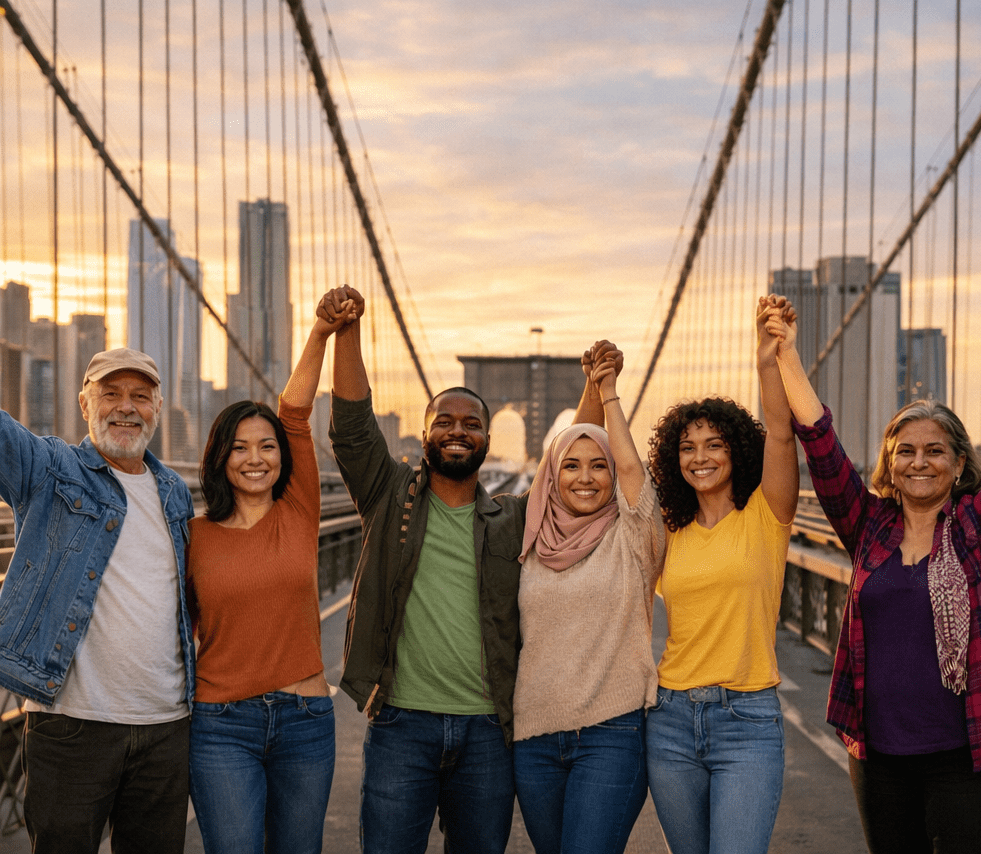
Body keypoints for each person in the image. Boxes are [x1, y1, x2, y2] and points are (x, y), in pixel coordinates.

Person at [323, 284, 610, 854]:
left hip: (489, 731)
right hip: (402, 723)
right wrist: (347, 331)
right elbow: (354, 428)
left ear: (486, 437)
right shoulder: (388, 495)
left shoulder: (513, 518)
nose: (458, 430)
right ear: (425, 434)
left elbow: (564, 466)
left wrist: (595, 386)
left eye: (472, 423)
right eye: (444, 421)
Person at [771, 296, 981, 853]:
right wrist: (788, 353)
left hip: (973, 757)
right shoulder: (869, 528)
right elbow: (821, 444)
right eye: (905, 451)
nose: (919, 462)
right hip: (881, 760)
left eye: (935, 451)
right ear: (890, 461)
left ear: (959, 463)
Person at [0, 347, 194, 854]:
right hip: (71, 726)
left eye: (140, 396)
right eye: (110, 394)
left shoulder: (175, 491)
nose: (126, 407)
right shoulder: (50, 468)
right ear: (84, 404)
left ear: (157, 407)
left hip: (165, 728)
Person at [186, 296, 343, 854]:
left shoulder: (299, 509)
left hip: (306, 719)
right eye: (240, 448)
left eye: (267, 447)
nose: (255, 459)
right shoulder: (192, 535)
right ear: (220, 458)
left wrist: (322, 332)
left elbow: (296, 413)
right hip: (221, 725)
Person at [644, 296, 799, 854]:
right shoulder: (667, 531)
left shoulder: (767, 514)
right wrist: (606, 394)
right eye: (687, 447)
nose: (700, 457)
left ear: (737, 450)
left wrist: (768, 359)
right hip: (669, 719)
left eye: (714, 444)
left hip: (748, 719)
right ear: (672, 459)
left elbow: (782, 434)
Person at [512, 344, 665, 854]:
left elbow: (632, 476)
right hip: (533, 738)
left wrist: (608, 392)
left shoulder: (633, 537)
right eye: (571, 466)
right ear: (552, 475)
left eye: (597, 466)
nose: (584, 477)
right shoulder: (531, 540)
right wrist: (587, 391)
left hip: (610, 736)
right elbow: (562, 460)